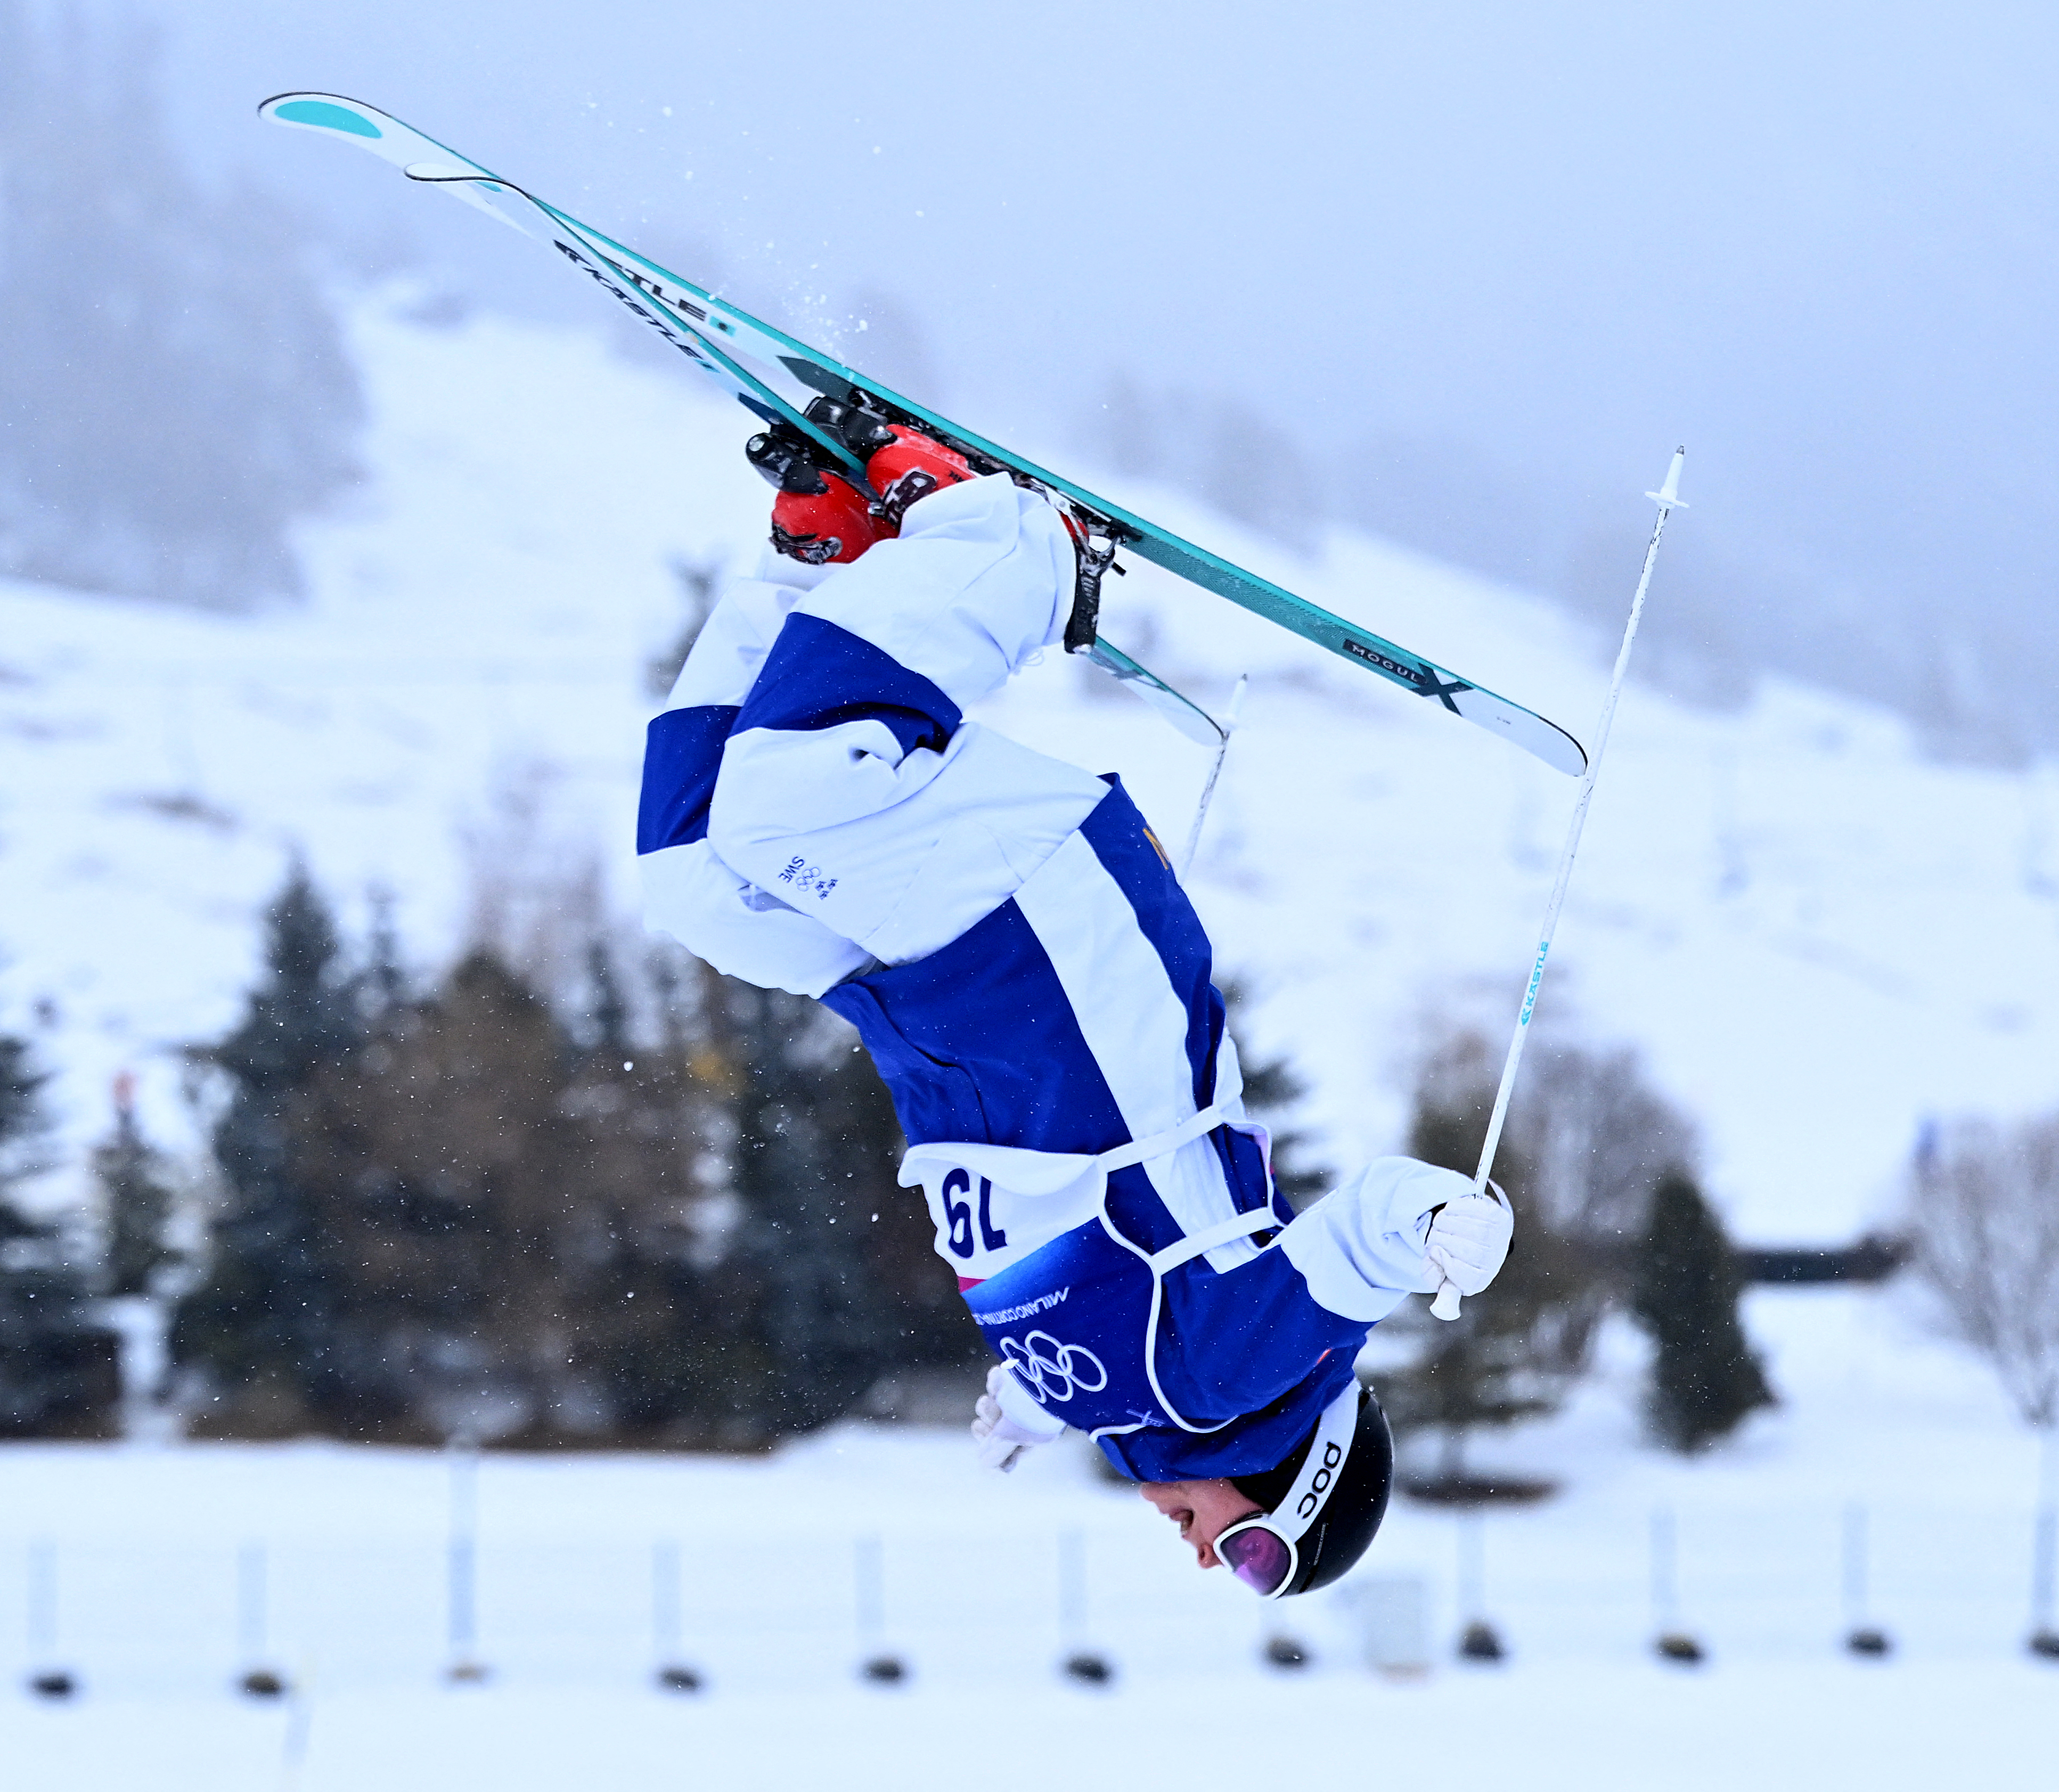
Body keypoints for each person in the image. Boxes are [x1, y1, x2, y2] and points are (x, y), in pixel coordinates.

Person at [636, 416, 1514, 1597]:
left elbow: (1071, 1325)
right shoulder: (1230, 1377)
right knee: (788, 808)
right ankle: (1019, 546)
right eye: (1255, 1547)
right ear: (1296, 1468)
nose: (1208, 1551)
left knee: (699, 877)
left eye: (1241, 1570)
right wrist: (1453, 1225)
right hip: (1047, 949)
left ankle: (822, 556)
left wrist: (1030, 1400)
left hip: (935, 997)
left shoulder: (1128, 1395)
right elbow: (1360, 1239)